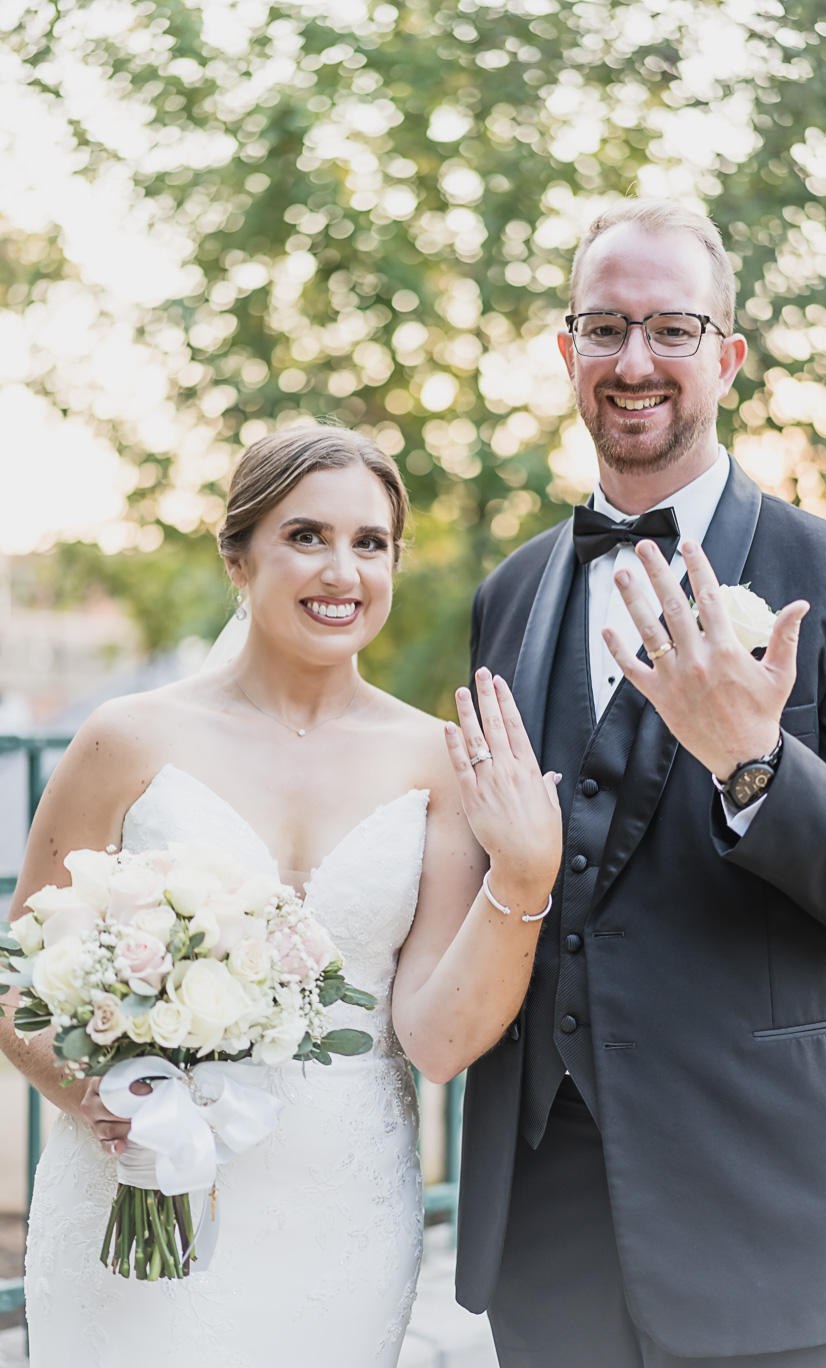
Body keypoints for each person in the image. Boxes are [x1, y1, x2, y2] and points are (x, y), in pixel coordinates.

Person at [456, 198, 826, 1368]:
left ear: (725, 356)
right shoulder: (508, 594)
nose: (634, 361)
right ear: (566, 355)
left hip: (757, 1211)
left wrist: (754, 766)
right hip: (543, 1217)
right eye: (602, 329)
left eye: (670, 327)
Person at [0, 425, 562, 1368]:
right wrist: (99, 1097)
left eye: (370, 543)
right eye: (306, 536)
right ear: (237, 555)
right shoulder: (126, 737)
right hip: (138, 1198)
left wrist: (525, 877)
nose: (342, 571)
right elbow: (15, 977)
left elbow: (437, 1039)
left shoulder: (437, 760)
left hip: (341, 1223)